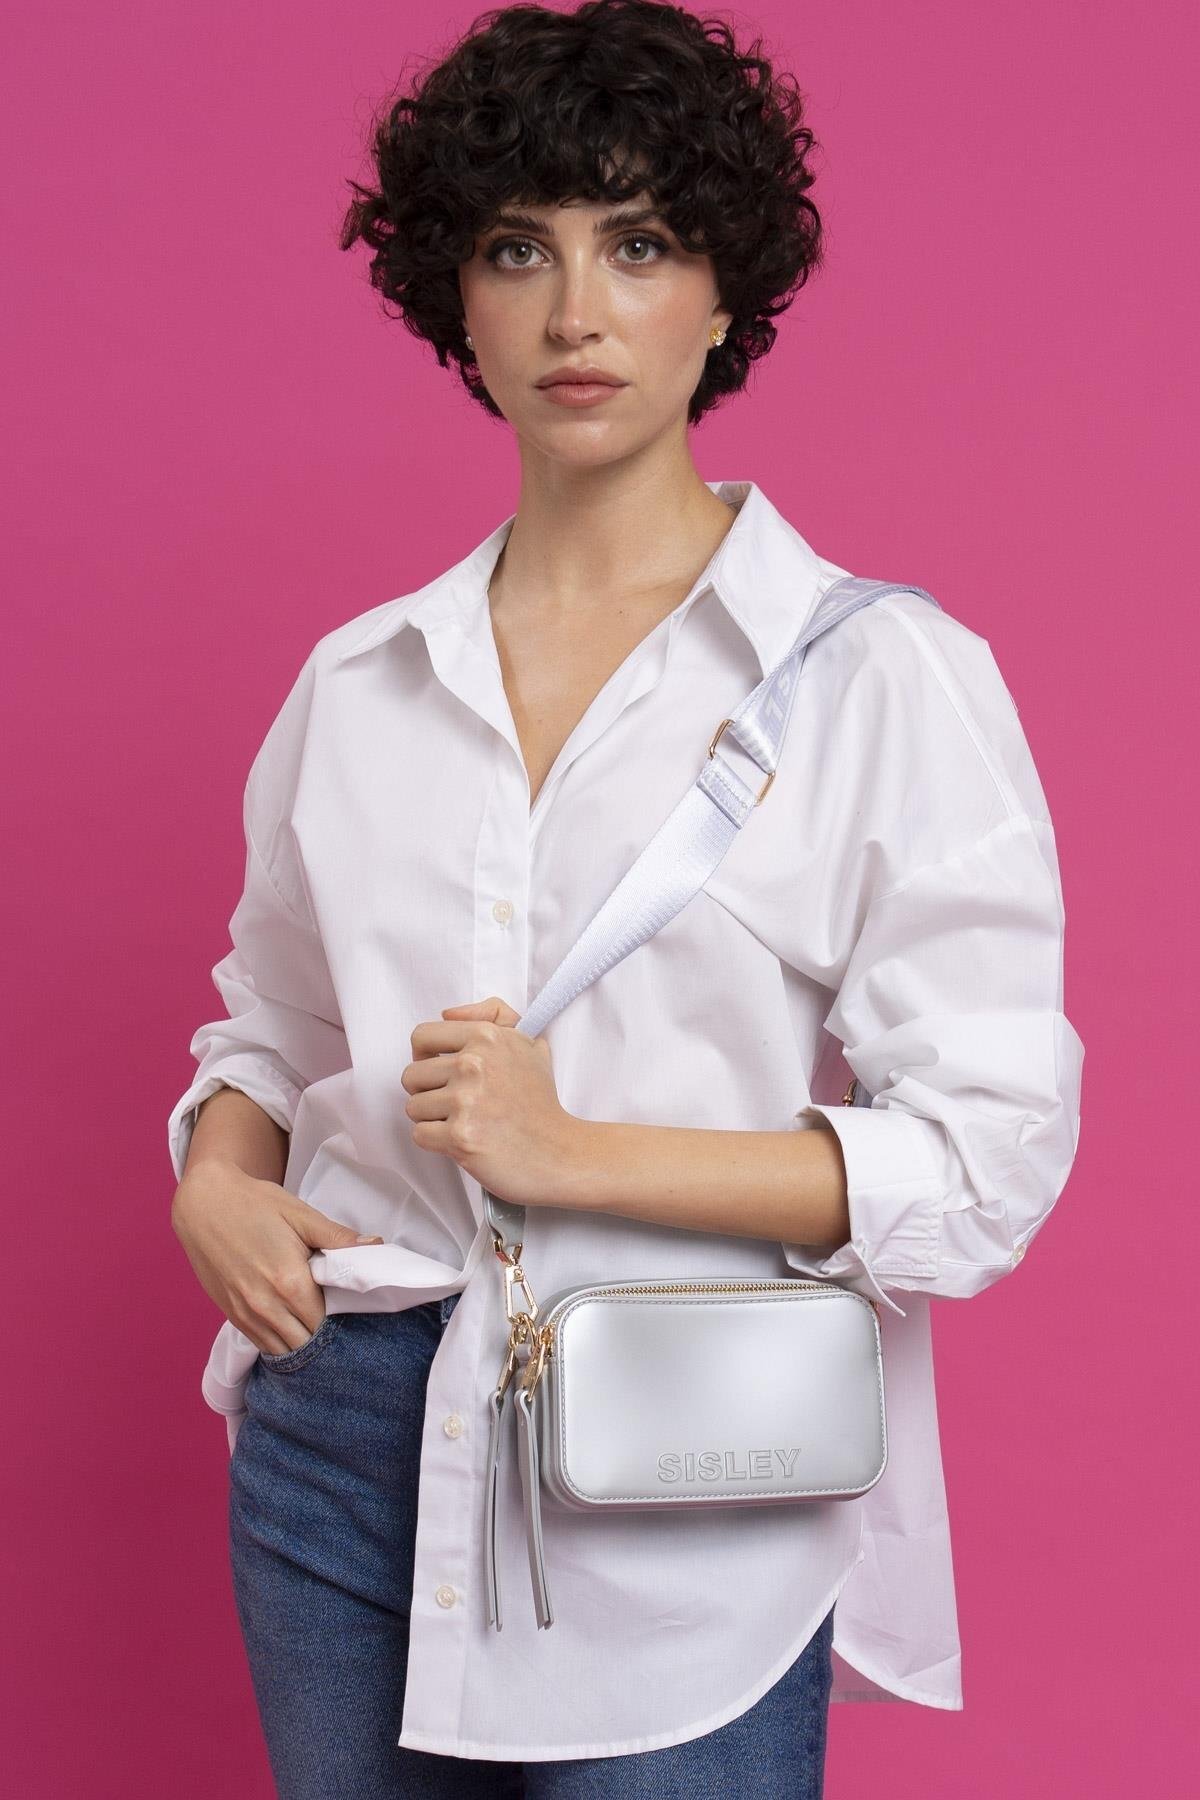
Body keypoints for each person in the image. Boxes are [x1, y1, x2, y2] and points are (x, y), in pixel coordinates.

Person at [167, 3, 1084, 1795]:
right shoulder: (359, 684)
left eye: (641, 243)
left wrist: (575, 1154)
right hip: (341, 1435)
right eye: (520, 249)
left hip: (684, 1458)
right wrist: (214, 1180)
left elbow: (985, 1160)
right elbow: (271, 1027)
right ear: (459, 298)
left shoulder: (880, 679)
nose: (577, 311)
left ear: (726, 292)